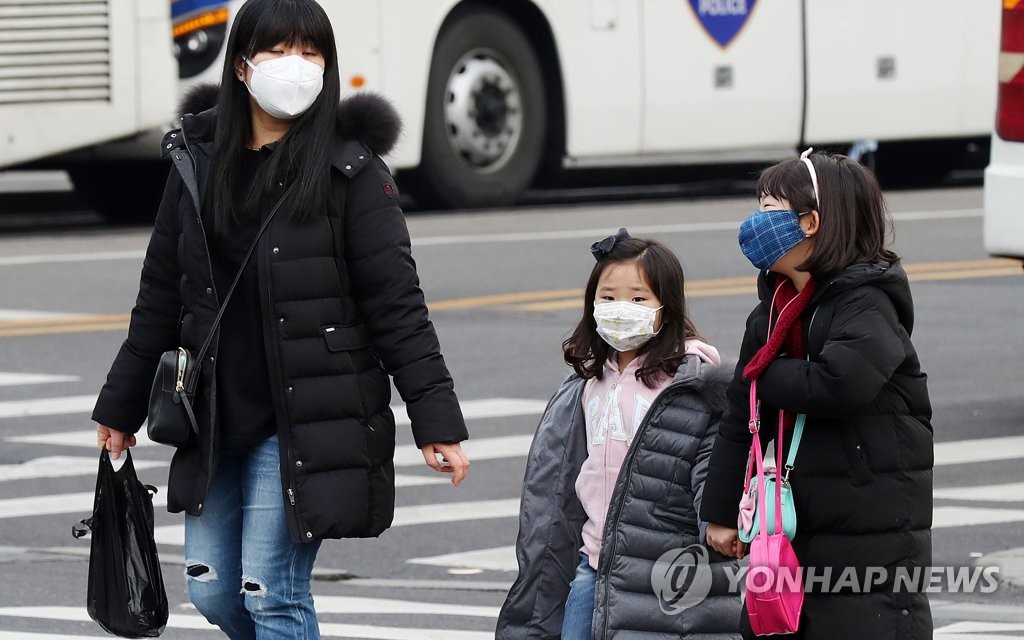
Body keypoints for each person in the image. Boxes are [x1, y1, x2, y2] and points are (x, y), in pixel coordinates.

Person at [91, 0, 469, 637]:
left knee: (271, 591)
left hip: (305, 415)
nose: (295, 65)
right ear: (242, 66)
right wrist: (119, 408)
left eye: (311, 52)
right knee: (211, 589)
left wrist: (437, 421)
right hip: (214, 413)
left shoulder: (351, 171)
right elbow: (159, 297)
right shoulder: (196, 162)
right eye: (278, 50)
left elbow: (398, 306)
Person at [700, 150, 933, 638]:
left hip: (870, 534)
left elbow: (839, 383)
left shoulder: (867, 301)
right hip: (793, 526)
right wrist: (720, 513)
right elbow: (741, 416)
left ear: (811, 223)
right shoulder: (773, 310)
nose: (755, 223)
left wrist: (764, 373)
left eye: (769, 210)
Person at [496, 229, 741, 640]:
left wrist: (720, 521)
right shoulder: (589, 383)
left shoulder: (688, 385)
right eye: (608, 298)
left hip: (666, 572)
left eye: (638, 299)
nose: (621, 309)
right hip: (595, 564)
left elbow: (708, 468)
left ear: (666, 309)